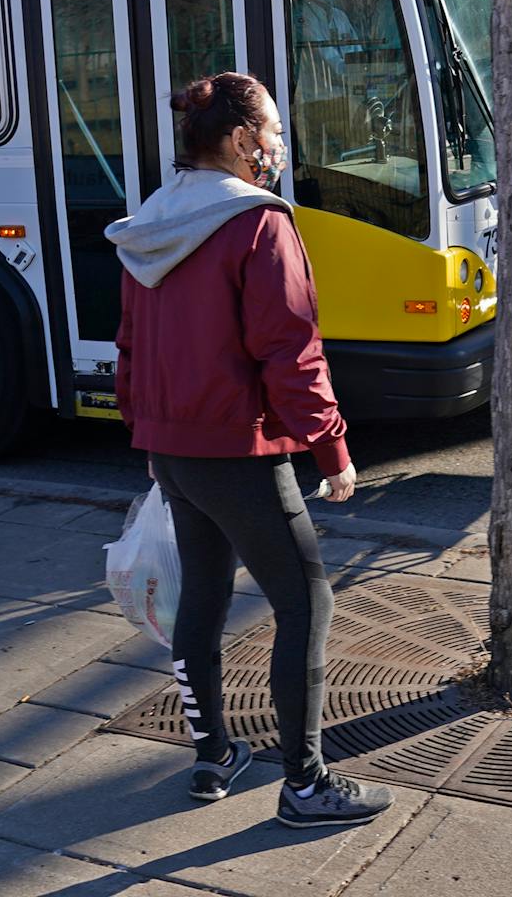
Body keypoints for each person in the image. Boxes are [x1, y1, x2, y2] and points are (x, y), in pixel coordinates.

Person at [106, 72, 394, 829]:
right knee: (306, 601)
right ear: (239, 141)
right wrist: (332, 450)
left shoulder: (149, 226)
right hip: (239, 450)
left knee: (201, 596)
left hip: (173, 450)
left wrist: (148, 437)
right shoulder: (257, 225)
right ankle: (305, 784)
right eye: (268, 132)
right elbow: (291, 353)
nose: (274, 148)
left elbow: (129, 348)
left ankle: (213, 753)